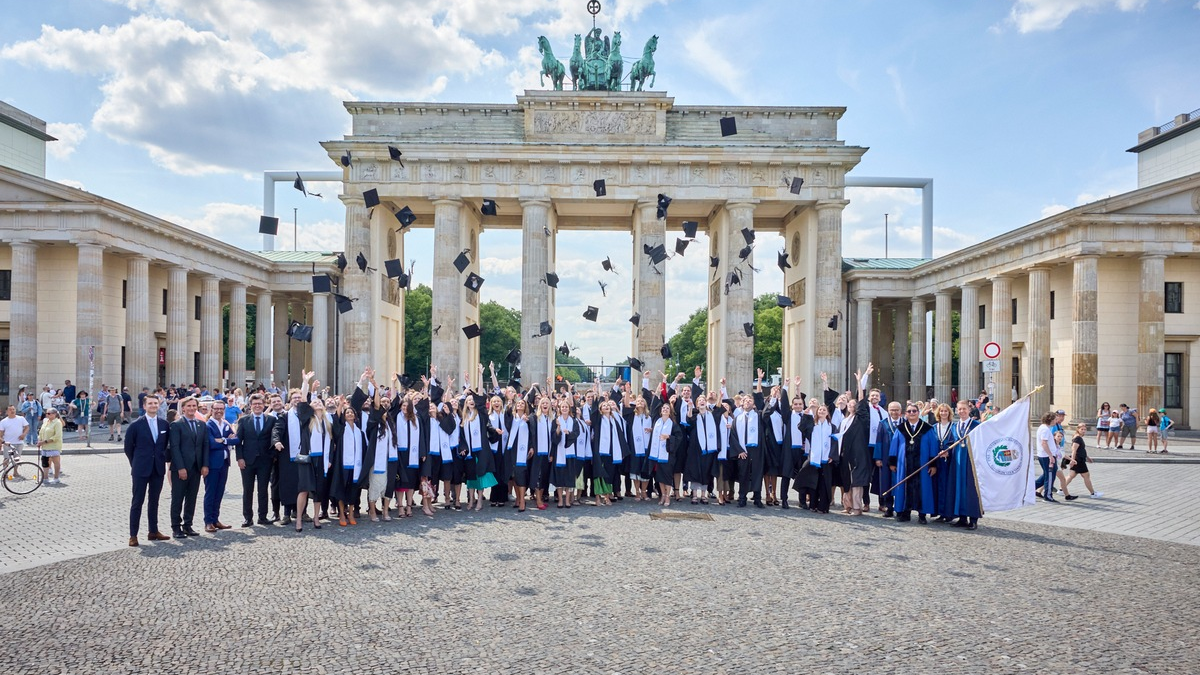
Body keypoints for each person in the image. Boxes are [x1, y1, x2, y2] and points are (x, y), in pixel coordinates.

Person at [123, 395, 172, 546]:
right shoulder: (135, 425)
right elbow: (128, 448)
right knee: (137, 502)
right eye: (150, 403)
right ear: (144, 406)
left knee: (154, 501)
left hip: (157, 468)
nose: (153, 406)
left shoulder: (164, 424)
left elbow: (164, 446)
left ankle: (153, 531)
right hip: (141, 469)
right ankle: (133, 535)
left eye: (155, 403)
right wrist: (136, 463)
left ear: (159, 405)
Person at [168, 396, 210, 538]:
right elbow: (174, 447)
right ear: (183, 408)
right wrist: (180, 468)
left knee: (191, 498)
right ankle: (176, 527)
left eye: (194, 406)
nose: (192, 408)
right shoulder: (176, 425)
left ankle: (188, 525)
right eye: (189, 406)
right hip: (181, 468)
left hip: (196, 467)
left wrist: (205, 464)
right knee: (178, 498)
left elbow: (205, 446)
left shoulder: (201, 424)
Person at [233, 394, 276, 526]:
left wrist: (272, 456)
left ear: (264, 405)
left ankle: (262, 516)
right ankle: (248, 517)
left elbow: (274, 438)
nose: (257, 406)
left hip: (265, 461)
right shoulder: (243, 421)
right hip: (247, 461)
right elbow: (238, 441)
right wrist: (239, 458)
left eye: (260, 404)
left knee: (263, 490)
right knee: (248, 490)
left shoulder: (271, 420)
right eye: (254, 404)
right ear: (250, 406)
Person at [890, 401, 935, 523]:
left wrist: (933, 465)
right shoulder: (900, 429)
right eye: (909, 411)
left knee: (923, 488)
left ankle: (922, 514)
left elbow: (933, 447)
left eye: (914, 411)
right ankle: (905, 513)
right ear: (905, 414)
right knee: (903, 488)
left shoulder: (927, 429)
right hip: (904, 465)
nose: (912, 413)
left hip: (922, 464)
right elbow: (894, 446)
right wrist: (893, 463)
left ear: (918, 413)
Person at [941, 400, 981, 529]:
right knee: (958, 487)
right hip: (957, 461)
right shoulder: (954, 426)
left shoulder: (976, 425)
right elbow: (950, 441)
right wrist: (946, 451)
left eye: (964, 409)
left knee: (971, 489)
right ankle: (962, 517)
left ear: (969, 410)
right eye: (959, 409)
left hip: (971, 461)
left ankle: (973, 519)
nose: (962, 411)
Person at [202, 399, 237, 532]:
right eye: (216, 409)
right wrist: (227, 441)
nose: (219, 411)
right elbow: (211, 443)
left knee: (219, 492)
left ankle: (216, 519)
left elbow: (236, 439)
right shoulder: (208, 425)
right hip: (212, 464)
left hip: (224, 463)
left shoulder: (226, 424)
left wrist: (223, 440)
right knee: (210, 493)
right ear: (212, 410)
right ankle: (208, 521)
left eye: (221, 409)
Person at [1062, 423, 1103, 499]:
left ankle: (1061, 489)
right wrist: (1073, 460)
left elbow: (1081, 449)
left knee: (1071, 475)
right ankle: (1093, 493)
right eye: (1082, 429)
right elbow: (1074, 450)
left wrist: (1087, 457)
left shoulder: (1078, 437)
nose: (1084, 431)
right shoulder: (1077, 438)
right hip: (1079, 460)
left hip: (1079, 459)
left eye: (1085, 429)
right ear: (1078, 429)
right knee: (1086, 476)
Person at [1034, 411, 1060, 503]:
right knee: (1050, 476)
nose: (1056, 421)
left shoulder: (1045, 428)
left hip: (1047, 455)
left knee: (1046, 475)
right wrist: (1050, 456)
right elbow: (1044, 443)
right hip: (1046, 456)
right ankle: (1048, 496)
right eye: (1054, 419)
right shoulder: (1045, 429)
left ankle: (1030, 488)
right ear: (1050, 420)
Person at [36, 407, 64, 484]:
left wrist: (44, 442)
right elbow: (41, 432)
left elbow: (57, 436)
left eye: (49, 413)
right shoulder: (46, 422)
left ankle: (56, 478)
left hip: (53, 446)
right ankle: (45, 478)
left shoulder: (57, 422)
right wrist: (39, 441)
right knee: (45, 462)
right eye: (46, 413)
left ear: (54, 414)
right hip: (44, 446)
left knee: (56, 462)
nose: (47, 415)